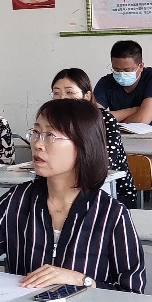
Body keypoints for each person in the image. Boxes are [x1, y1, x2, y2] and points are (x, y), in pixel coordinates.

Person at [0, 99, 145, 293]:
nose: (38, 144)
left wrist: (81, 280)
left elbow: (132, 290)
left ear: (83, 144)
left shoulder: (110, 213)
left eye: (50, 136)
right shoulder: (19, 200)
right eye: (36, 133)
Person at [51, 68, 137, 208]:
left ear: (87, 96)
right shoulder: (53, 123)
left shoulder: (104, 120)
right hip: (67, 189)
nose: (62, 99)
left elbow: (104, 163)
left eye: (70, 92)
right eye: (56, 93)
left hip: (112, 192)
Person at [93, 40, 152, 128]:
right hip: (120, 135)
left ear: (141, 66)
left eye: (127, 70)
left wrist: (111, 120)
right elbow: (94, 118)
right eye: (116, 70)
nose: (121, 74)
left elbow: (142, 120)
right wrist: (133, 110)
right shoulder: (105, 82)